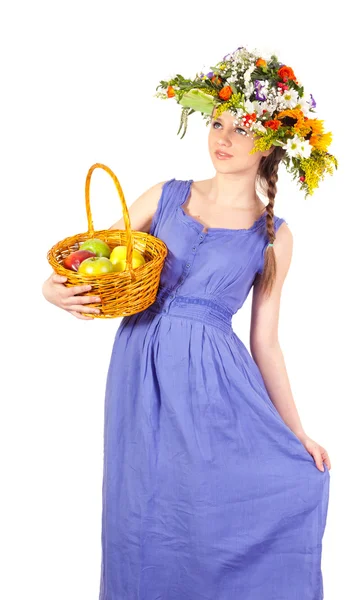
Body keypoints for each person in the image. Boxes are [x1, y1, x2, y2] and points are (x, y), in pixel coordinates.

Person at [43, 46, 335, 599]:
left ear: (271, 142)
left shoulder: (274, 236)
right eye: (216, 122)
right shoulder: (166, 196)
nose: (223, 138)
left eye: (241, 128)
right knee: (139, 512)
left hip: (217, 390)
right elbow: (93, 258)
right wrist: (50, 287)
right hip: (139, 371)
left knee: (203, 516)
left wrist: (296, 431)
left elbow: (266, 343)